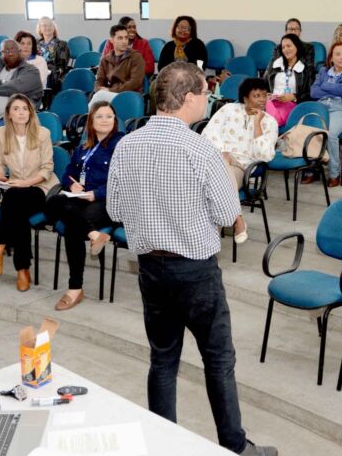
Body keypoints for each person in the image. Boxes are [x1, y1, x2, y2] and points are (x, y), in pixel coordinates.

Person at [106, 62, 277, 456]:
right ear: (187, 98)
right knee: (218, 360)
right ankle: (235, 447)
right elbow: (223, 213)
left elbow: (114, 209)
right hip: (195, 272)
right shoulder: (200, 149)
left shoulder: (127, 144)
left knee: (163, 358)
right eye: (204, 93)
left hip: (150, 268)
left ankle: (162, 444)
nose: (208, 100)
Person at [0, 94, 58, 291]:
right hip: (15, 189)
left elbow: (47, 168)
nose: (21, 113)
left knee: (13, 200)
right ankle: (22, 269)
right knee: (17, 209)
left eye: (24, 108)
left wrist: (25, 183)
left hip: (41, 188)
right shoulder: (0, 133)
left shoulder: (43, 133)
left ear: (30, 112)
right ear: (9, 114)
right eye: (16, 109)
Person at [44, 101, 121, 311]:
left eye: (109, 116)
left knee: (72, 227)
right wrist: (73, 185)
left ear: (114, 121)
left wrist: (95, 194)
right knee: (53, 201)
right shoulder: (84, 146)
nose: (105, 120)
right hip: (80, 200)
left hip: (106, 202)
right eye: (100, 116)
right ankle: (95, 234)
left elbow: (124, 181)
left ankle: (75, 289)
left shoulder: (121, 145)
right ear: (91, 121)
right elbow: (68, 172)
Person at [202, 77, 278, 243]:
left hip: (243, 167)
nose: (261, 100)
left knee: (219, 181)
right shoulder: (229, 109)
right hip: (218, 160)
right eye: (256, 96)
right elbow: (209, 133)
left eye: (264, 95)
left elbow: (265, 155)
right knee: (219, 173)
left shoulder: (270, 123)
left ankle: (209, 241)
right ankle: (237, 219)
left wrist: (257, 124)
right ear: (245, 98)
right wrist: (223, 152)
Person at [308, 42, 342, 187]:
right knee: (312, 131)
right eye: (337, 54)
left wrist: (325, 85)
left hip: (341, 108)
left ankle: (334, 174)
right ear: (331, 58)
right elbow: (313, 92)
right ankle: (314, 170)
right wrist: (335, 88)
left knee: (330, 134)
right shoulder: (324, 71)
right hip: (322, 106)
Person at [0, 39, 45, 116]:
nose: (10, 54)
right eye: (6, 51)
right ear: (1, 54)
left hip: (13, 121)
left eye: (13, 50)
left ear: (20, 52)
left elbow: (15, 88)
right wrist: (0, 82)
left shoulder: (31, 71)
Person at [263, 33, 315, 126]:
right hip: (271, 102)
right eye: (283, 47)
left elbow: (311, 93)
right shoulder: (274, 65)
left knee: (270, 120)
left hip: (291, 104)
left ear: (297, 47)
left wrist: (294, 96)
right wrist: (266, 95)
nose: (286, 49)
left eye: (289, 46)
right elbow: (263, 84)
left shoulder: (306, 69)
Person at [91, 24, 146, 105]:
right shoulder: (105, 60)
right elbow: (99, 80)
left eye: (126, 38)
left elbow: (135, 83)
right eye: (120, 38)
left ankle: (87, 116)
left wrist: (110, 90)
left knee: (99, 96)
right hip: (109, 94)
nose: (124, 41)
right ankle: (88, 116)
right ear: (111, 40)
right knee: (99, 95)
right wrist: (99, 88)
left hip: (130, 96)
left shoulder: (136, 57)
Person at [36, 16, 70, 90]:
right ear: (40, 29)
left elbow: (63, 65)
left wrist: (46, 70)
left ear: (54, 27)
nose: (48, 27)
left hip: (53, 75)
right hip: (36, 73)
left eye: (50, 25)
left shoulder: (62, 44)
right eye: (44, 25)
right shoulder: (35, 44)